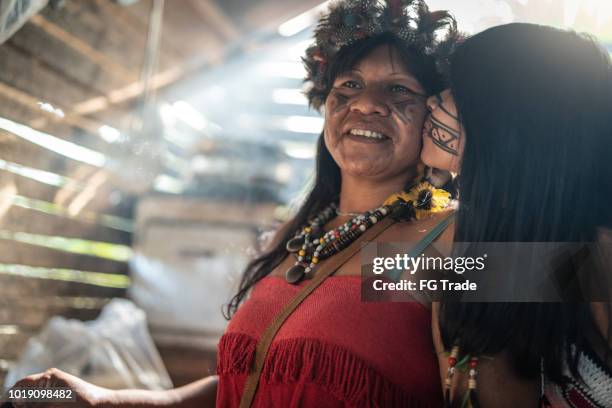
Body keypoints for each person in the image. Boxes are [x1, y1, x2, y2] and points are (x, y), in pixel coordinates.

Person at [8, 1, 460, 406]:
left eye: (398, 90)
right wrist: (100, 399)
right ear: (325, 104)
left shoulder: (446, 240)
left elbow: (522, 342)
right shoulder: (297, 238)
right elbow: (245, 385)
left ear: (437, 113)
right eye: (349, 84)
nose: (366, 104)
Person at [420, 23, 612, 407]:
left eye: (457, 90)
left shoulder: (600, 255)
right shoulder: (467, 255)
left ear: (507, 120)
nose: (433, 101)